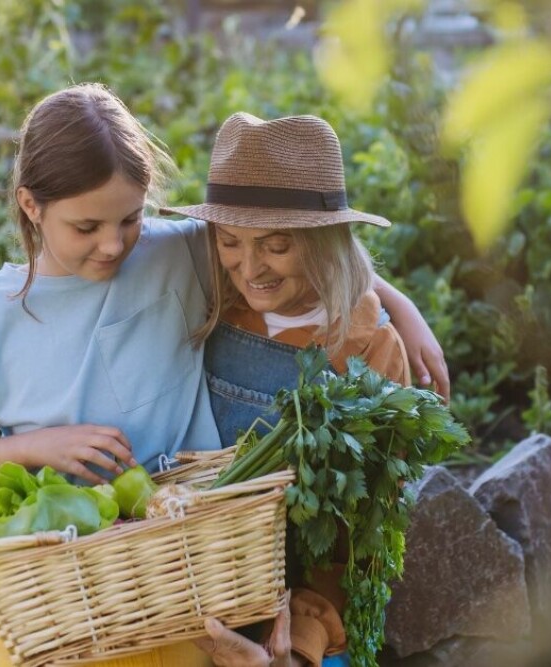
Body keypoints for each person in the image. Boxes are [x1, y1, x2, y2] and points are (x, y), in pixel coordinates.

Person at [0, 85, 446, 667]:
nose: (112, 244)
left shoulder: (166, 253)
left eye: (129, 218)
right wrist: (38, 446)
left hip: (182, 569)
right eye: (85, 226)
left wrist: (402, 309)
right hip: (57, 585)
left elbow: (308, 254)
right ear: (30, 205)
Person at [163, 113, 421, 667]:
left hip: (296, 617)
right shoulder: (212, 303)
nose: (249, 268)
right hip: (185, 592)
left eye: (275, 246)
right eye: (230, 241)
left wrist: (298, 646)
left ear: (324, 241)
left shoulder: (368, 351)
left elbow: (357, 539)